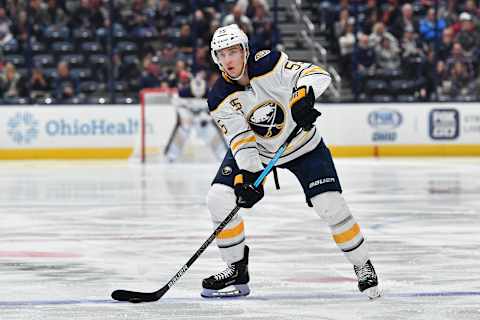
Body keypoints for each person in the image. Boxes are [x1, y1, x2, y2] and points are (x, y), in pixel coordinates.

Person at [202, 24, 381, 299]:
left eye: (234, 52)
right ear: (216, 58)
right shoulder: (218, 97)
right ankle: (236, 267)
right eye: (222, 54)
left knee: (331, 206)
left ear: (245, 51)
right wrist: (249, 177)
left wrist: (303, 95)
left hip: (304, 146)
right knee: (218, 197)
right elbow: (240, 139)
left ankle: (363, 265)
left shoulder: (269, 64)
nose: (229, 60)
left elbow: (316, 74)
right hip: (260, 152)